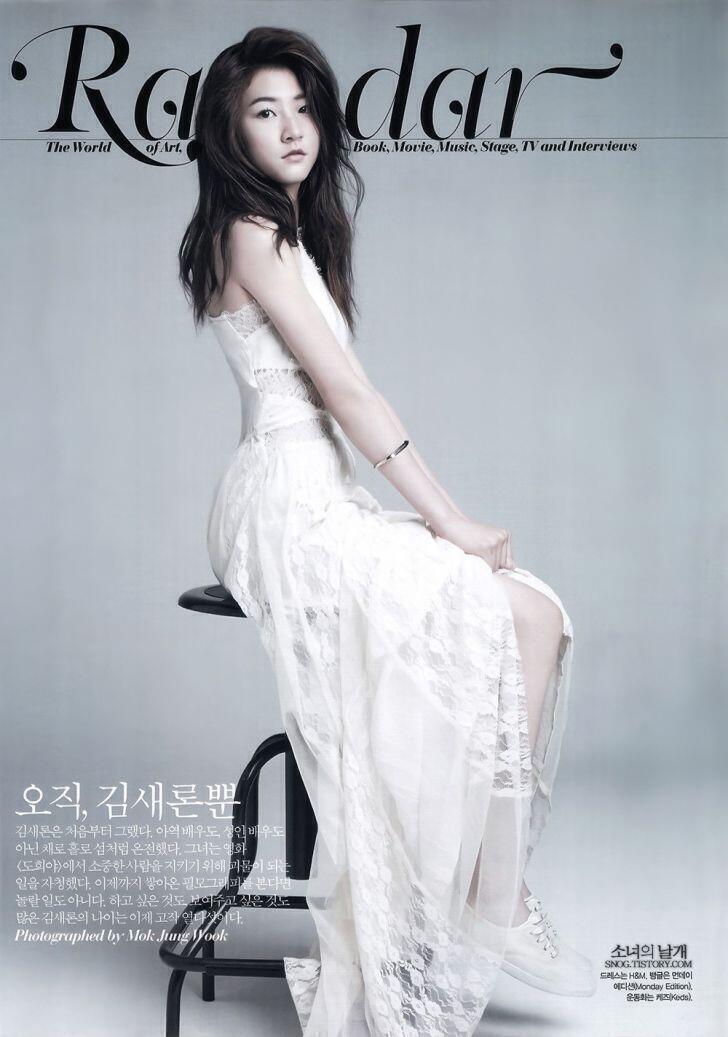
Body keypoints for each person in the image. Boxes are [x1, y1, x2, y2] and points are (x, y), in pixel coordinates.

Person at [179, 25, 595, 1035]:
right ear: (230, 132)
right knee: (515, 613)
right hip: (288, 503)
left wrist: (429, 519)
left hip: (311, 490)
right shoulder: (249, 232)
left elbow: (324, 398)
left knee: (533, 614)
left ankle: (484, 887)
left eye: (303, 108)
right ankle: (484, 894)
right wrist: (448, 519)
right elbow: (345, 394)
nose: (292, 128)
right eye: (264, 111)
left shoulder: (283, 234)